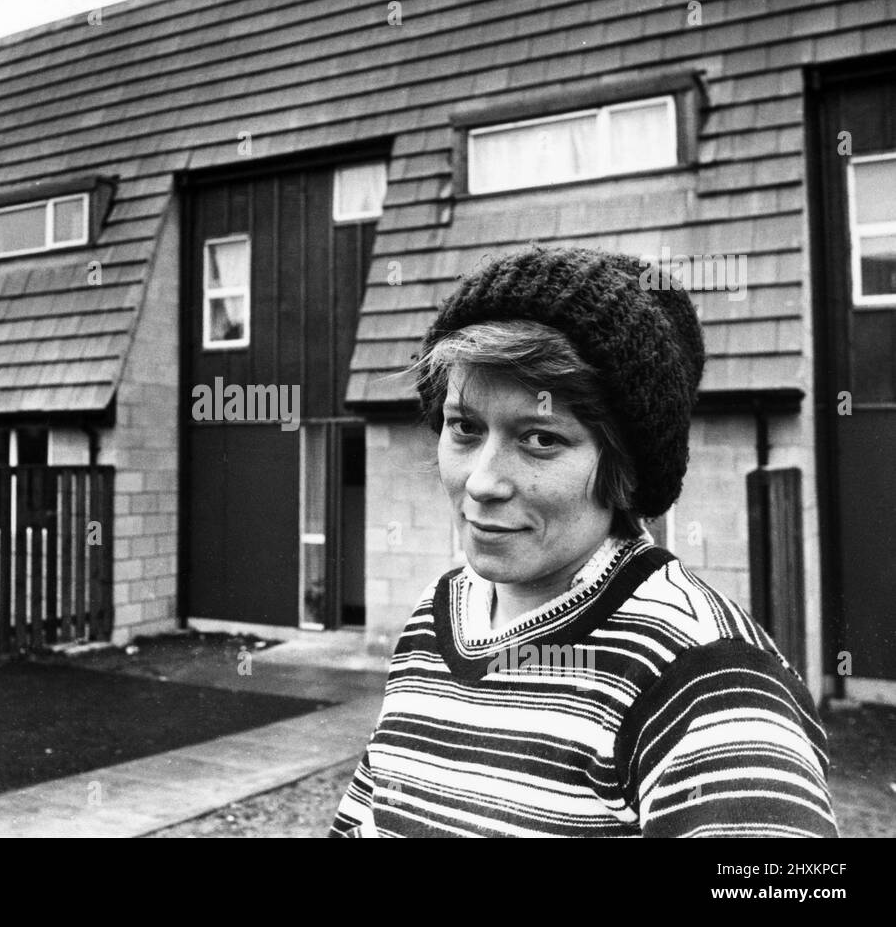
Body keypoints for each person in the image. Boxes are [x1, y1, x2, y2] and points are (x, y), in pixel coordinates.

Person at [329, 246, 838, 838]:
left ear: (623, 469)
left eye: (540, 438)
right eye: (465, 428)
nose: (482, 481)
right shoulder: (432, 617)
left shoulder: (707, 679)